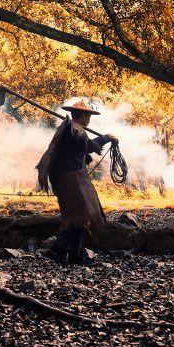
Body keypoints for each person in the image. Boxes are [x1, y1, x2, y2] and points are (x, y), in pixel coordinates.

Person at [36, 100, 118, 265]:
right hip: (69, 179)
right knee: (75, 218)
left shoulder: (73, 128)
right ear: (83, 115)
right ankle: (56, 252)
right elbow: (89, 146)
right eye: (88, 116)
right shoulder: (74, 129)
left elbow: (84, 147)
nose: (89, 120)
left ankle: (76, 255)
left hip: (71, 177)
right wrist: (107, 137)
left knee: (80, 218)